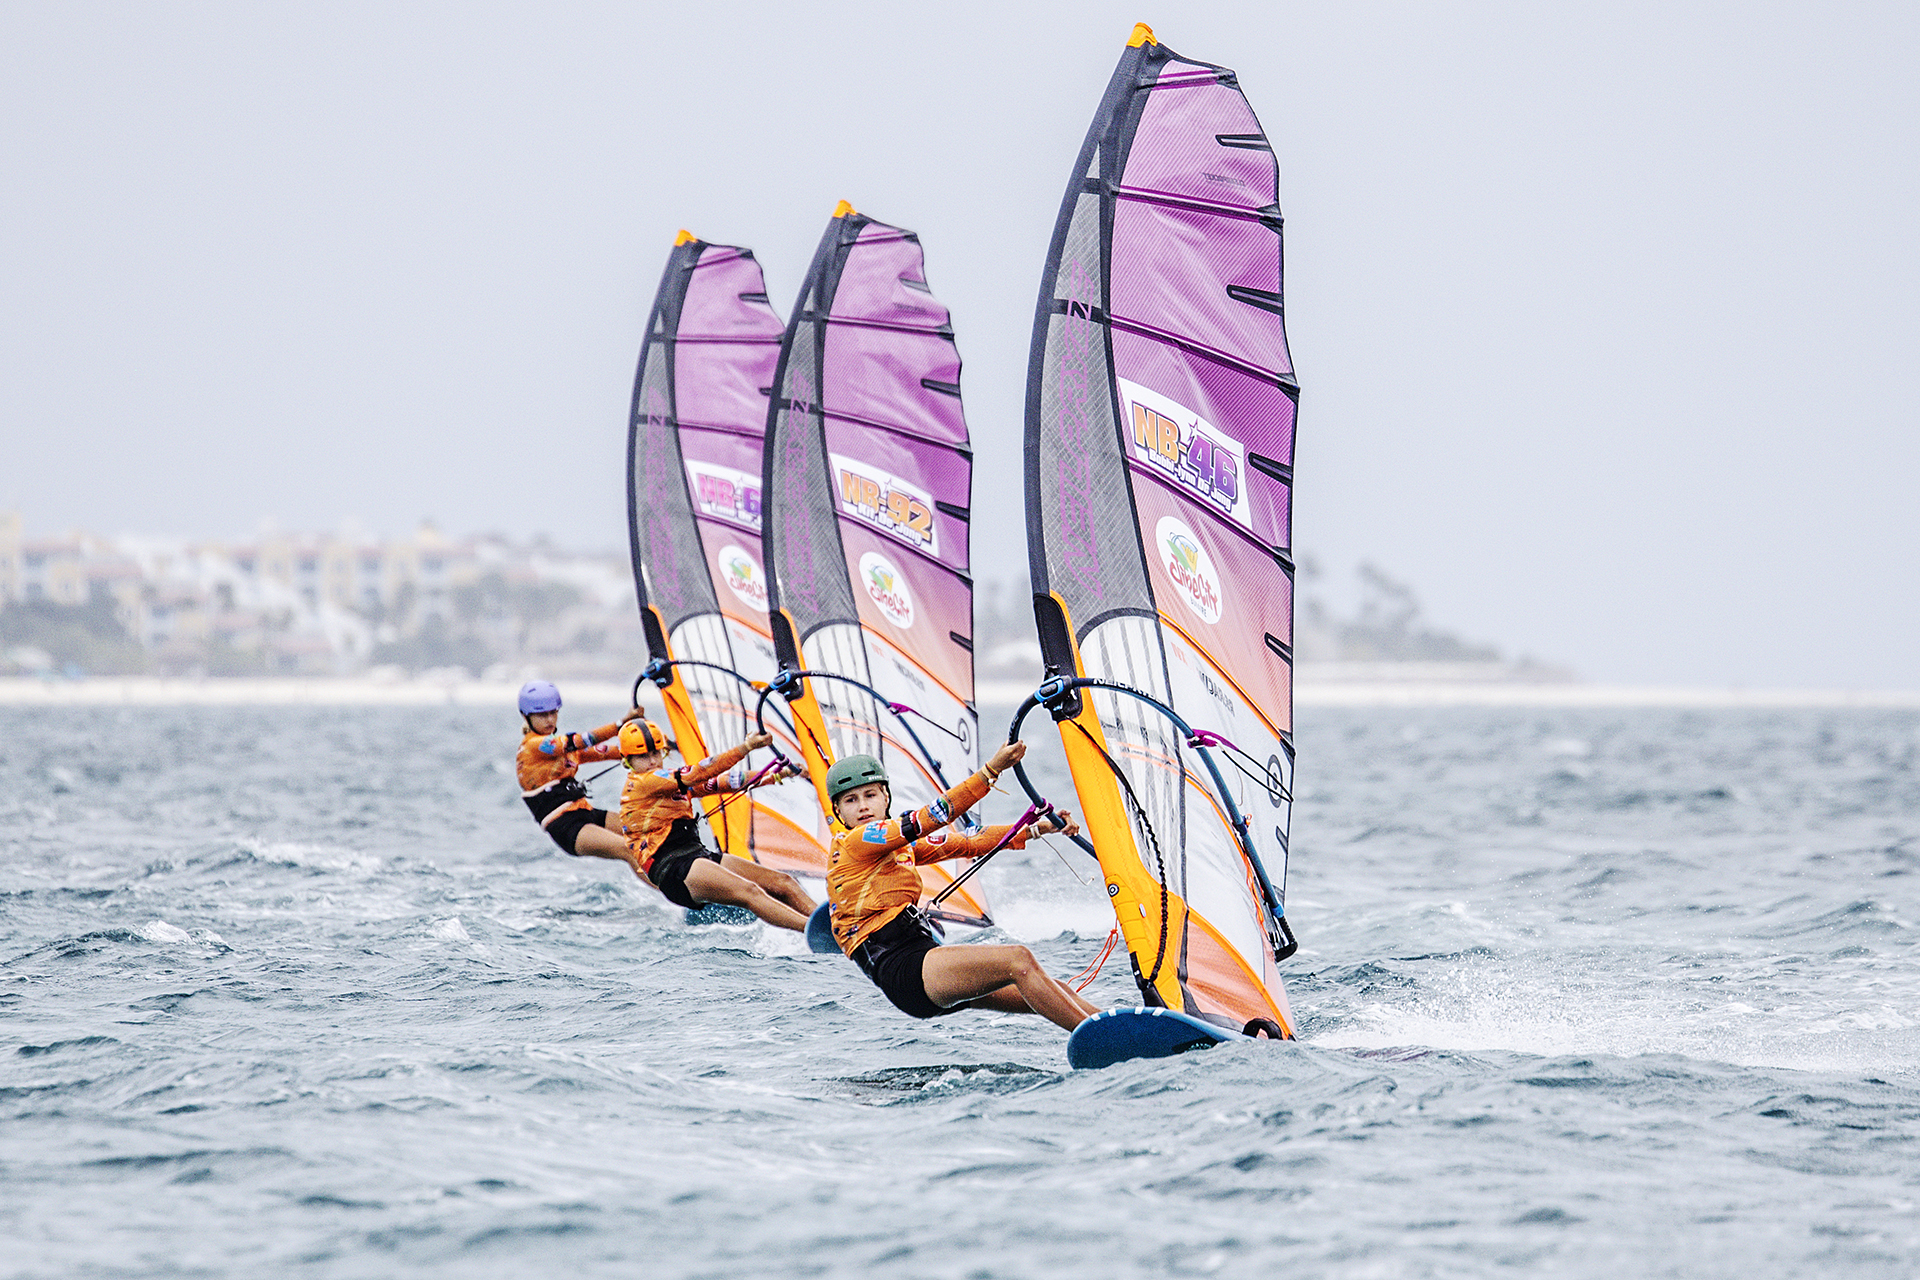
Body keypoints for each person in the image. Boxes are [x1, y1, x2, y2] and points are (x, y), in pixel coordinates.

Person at [825, 745, 1100, 1032]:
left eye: (870, 795)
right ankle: (1099, 1036)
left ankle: (1121, 1026)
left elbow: (968, 842)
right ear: (839, 811)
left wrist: (1038, 829)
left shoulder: (896, 846)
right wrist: (991, 771)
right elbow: (930, 817)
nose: (863, 806)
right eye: (851, 800)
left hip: (925, 962)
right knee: (1018, 960)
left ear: (886, 798)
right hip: (905, 971)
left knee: (1052, 989)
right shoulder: (855, 842)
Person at [617, 718, 818, 930]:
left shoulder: (667, 782)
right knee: (750, 892)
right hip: (673, 869)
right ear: (627, 760)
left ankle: (834, 924)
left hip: (695, 855)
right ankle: (817, 931)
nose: (652, 761)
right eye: (642, 756)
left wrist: (775, 774)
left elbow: (721, 782)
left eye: (655, 753)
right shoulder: (642, 783)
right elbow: (698, 773)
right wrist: (746, 747)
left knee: (783, 882)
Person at [515, 679, 645, 868]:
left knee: (644, 832)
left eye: (553, 713)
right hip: (567, 827)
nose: (550, 720)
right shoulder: (535, 746)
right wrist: (621, 724)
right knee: (627, 848)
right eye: (542, 715)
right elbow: (581, 740)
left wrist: (652, 746)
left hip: (584, 812)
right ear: (526, 716)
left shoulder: (561, 750)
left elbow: (605, 752)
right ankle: (667, 886)